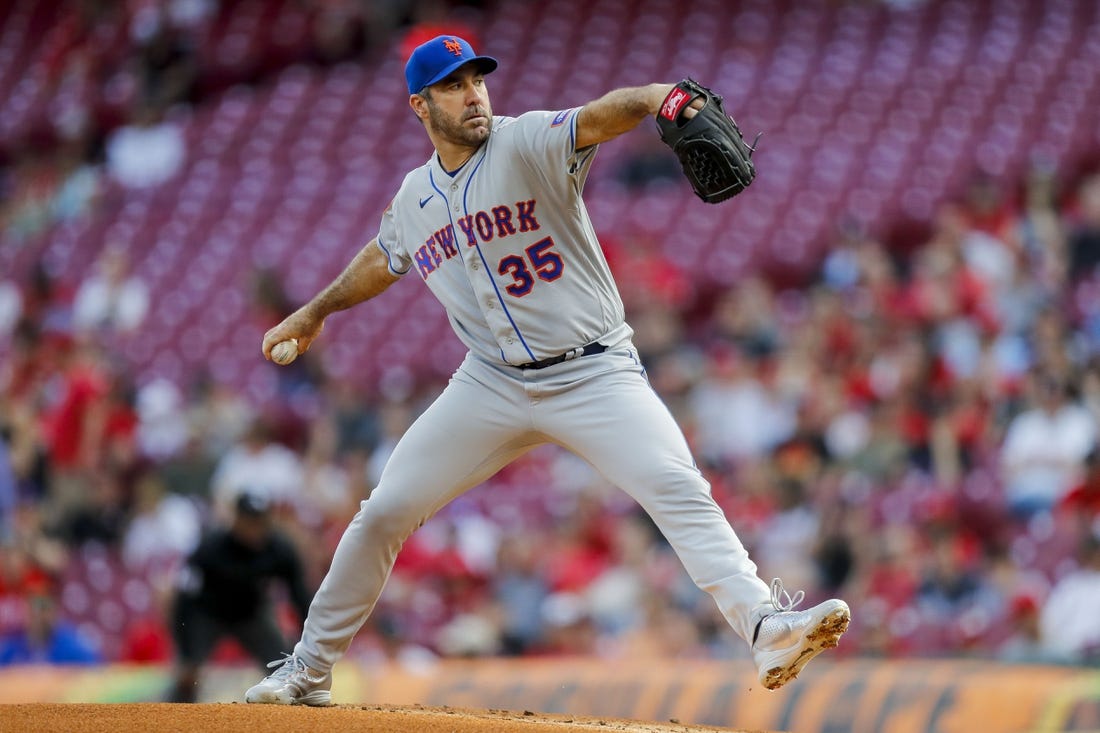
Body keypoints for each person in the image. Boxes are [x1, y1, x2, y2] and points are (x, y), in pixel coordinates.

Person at [245, 35, 850, 706]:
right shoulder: (415, 197)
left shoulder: (526, 141)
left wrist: (658, 98)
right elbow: (384, 255)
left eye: (477, 78)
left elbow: (603, 113)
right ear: (420, 105)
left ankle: (765, 623)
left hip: (594, 371)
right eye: (452, 85)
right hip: (491, 382)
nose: (472, 92)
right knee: (384, 509)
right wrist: (314, 312)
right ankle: (310, 668)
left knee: (673, 484)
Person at [167, 492, 313, 703]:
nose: (255, 529)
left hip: (251, 614)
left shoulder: (279, 550)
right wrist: (186, 650)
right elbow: (185, 599)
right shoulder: (211, 548)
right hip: (207, 614)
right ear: (236, 521)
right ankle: (172, 715)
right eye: (249, 522)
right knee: (187, 674)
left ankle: (294, 714)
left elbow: (299, 595)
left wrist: (306, 639)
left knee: (285, 667)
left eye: (260, 523)